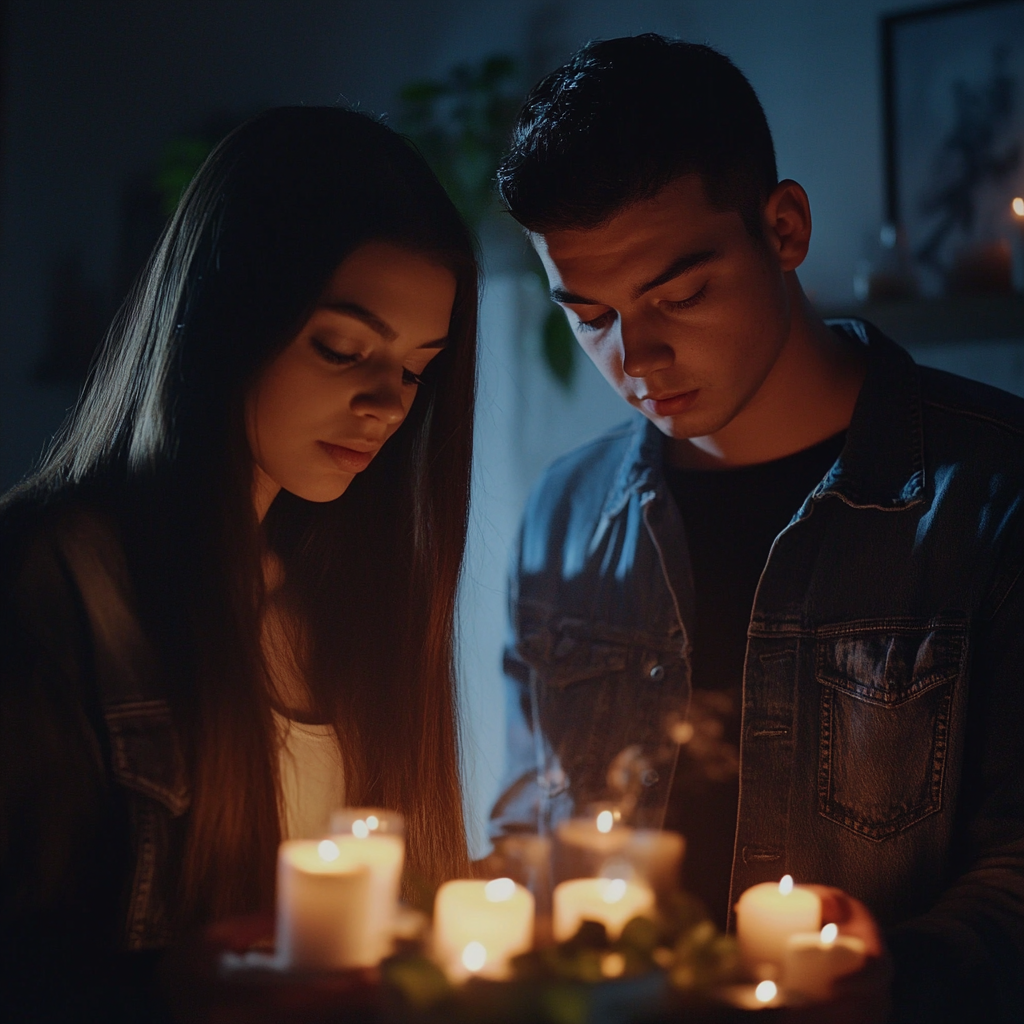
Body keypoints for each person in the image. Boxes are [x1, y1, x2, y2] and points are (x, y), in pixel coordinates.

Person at [489, 34, 1024, 1023]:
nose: (635, 353)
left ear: (783, 227)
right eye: (589, 315)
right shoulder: (566, 515)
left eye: (679, 292)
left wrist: (889, 976)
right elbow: (533, 825)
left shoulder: (995, 493)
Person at [0, 107, 478, 1020]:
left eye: (417, 370)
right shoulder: (53, 585)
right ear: (219, 319)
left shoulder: (350, 602)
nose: (386, 404)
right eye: (342, 348)